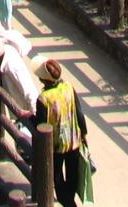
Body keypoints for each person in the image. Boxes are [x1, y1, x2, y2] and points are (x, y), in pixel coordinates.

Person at [37, 59, 90, 207]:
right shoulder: (69, 87)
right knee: (72, 175)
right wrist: (84, 134)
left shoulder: (44, 98)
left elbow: (40, 123)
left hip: (55, 144)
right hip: (73, 140)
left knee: (56, 176)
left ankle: (67, 203)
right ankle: (70, 200)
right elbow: (79, 114)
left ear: (43, 79)